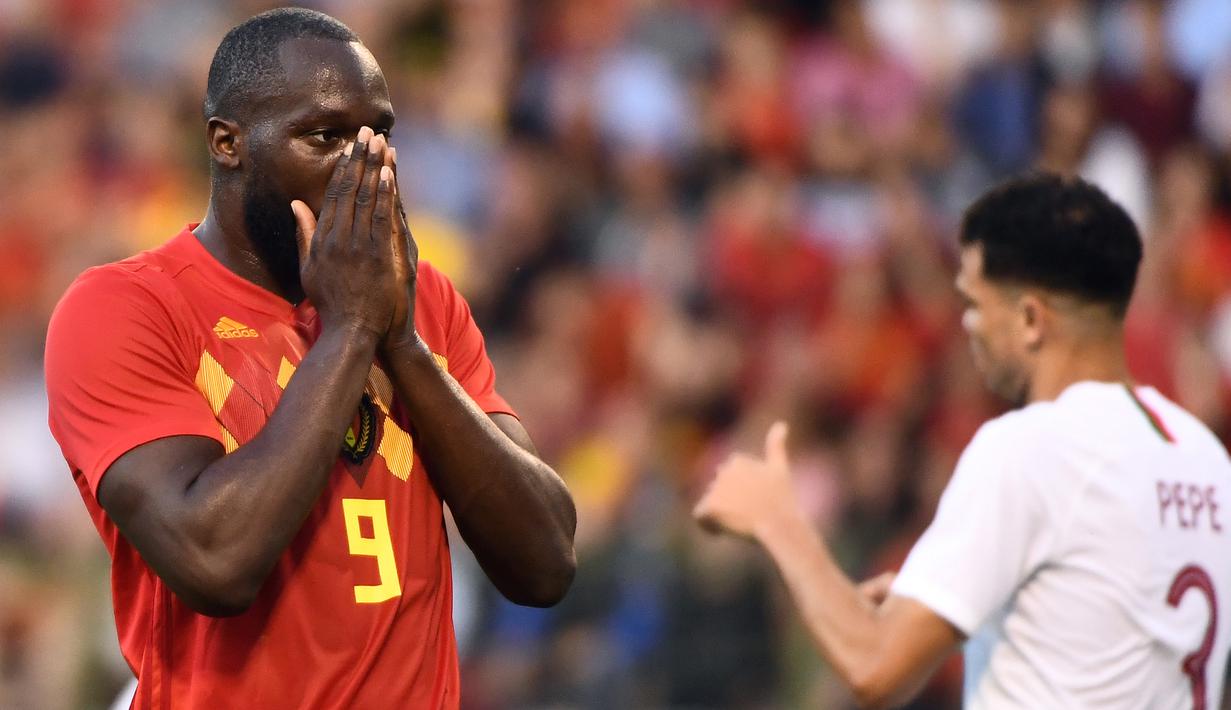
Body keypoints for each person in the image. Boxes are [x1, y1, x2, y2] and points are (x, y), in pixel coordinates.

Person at [44, 8, 576, 709]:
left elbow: (544, 565)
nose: (366, 165)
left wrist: (403, 345)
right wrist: (351, 330)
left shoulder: (419, 300)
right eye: (325, 136)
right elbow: (214, 562)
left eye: (379, 135)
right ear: (228, 143)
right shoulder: (125, 309)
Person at [694, 173, 1231, 709]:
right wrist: (969, 596)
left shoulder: (1029, 448)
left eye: (975, 302)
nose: (968, 326)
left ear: (1029, 319)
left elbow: (874, 668)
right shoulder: (1205, 457)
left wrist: (778, 519)